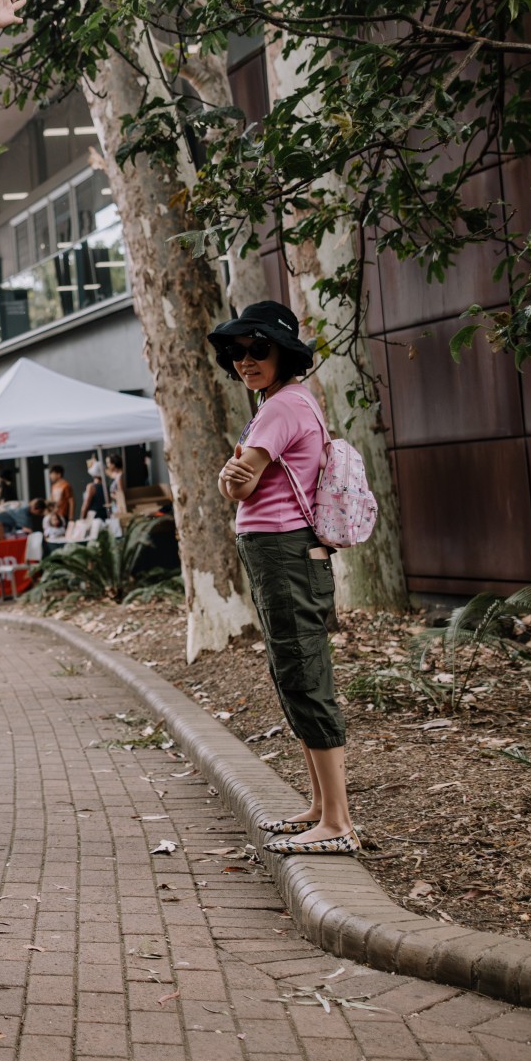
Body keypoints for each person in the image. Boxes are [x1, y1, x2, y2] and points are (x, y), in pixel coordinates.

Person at [211, 301, 357, 855]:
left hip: (283, 552)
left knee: (304, 677)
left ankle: (338, 824)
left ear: (284, 353)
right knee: (294, 674)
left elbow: (240, 487)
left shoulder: (278, 409)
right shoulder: (295, 403)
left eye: (259, 350)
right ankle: (321, 808)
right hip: (288, 553)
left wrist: (231, 478)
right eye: (239, 351)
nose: (246, 360)